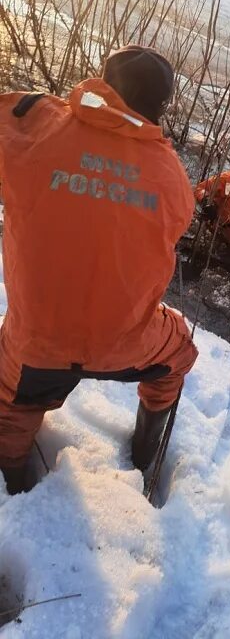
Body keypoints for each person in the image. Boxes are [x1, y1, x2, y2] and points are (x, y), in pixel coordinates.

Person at [0, 45, 198, 495]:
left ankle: (11, 478)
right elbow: (177, 221)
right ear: (161, 105)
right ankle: (146, 450)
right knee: (179, 351)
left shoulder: (35, 122)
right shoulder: (171, 175)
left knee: (9, 403)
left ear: (103, 81)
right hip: (125, 346)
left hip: (36, 346)